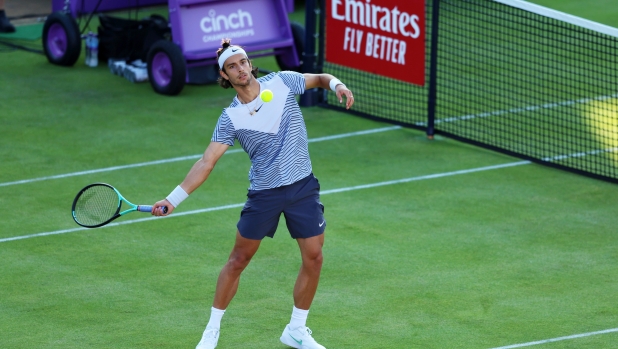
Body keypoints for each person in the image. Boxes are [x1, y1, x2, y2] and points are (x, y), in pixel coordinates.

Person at [152, 38, 354, 349]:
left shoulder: (283, 81)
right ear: (225, 77)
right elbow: (207, 161)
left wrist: (338, 86)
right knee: (238, 260)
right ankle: (211, 332)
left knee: (314, 258)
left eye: (243, 62)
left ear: (250, 64)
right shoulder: (230, 118)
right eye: (232, 67)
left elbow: (321, 79)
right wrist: (172, 199)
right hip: (264, 195)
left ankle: (296, 330)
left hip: (302, 187)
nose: (240, 69)